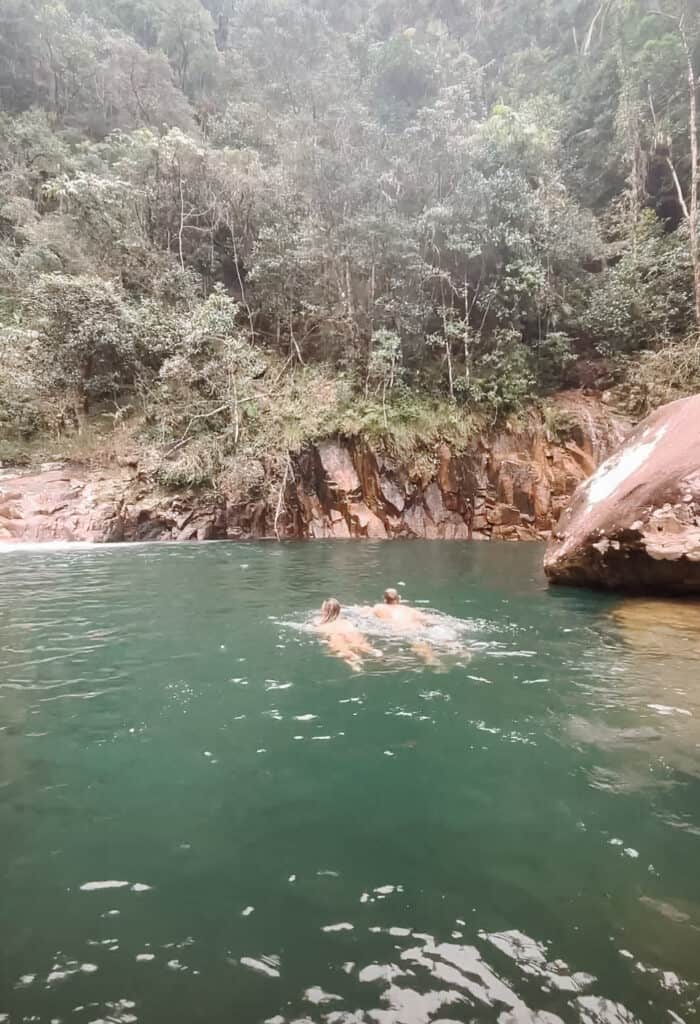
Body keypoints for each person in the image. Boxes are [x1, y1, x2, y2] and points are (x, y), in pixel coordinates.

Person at [371, 589, 441, 667]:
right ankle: (430, 659)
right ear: (398, 599)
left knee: (412, 641)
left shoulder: (379, 607)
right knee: (418, 641)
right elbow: (429, 620)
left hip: (395, 631)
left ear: (384, 599)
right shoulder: (408, 609)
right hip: (414, 629)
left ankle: (429, 659)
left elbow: (366, 614)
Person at [315, 598, 381, 672]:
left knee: (342, 650)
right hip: (349, 630)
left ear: (324, 610)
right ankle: (373, 651)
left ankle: (353, 663)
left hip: (334, 634)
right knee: (361, 644)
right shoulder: (346, 622)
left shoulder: (321, 623)